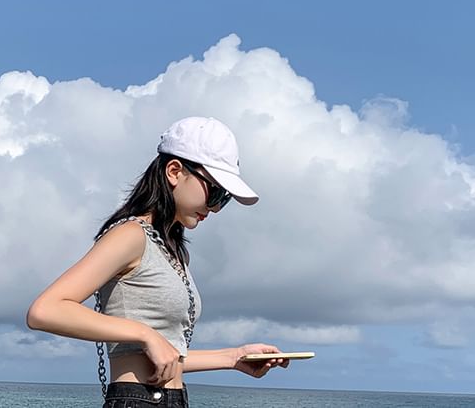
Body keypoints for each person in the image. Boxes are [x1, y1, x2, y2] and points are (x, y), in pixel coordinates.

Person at [27, 116, 290, 407]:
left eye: (223, 199)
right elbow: (45, 310)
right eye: (215, 191)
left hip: (173, 399)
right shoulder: (130, 235)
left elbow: (165, 358)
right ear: (174, 171)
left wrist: (234, 357)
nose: (215, 208)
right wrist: (145, 334)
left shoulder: (176, 252)